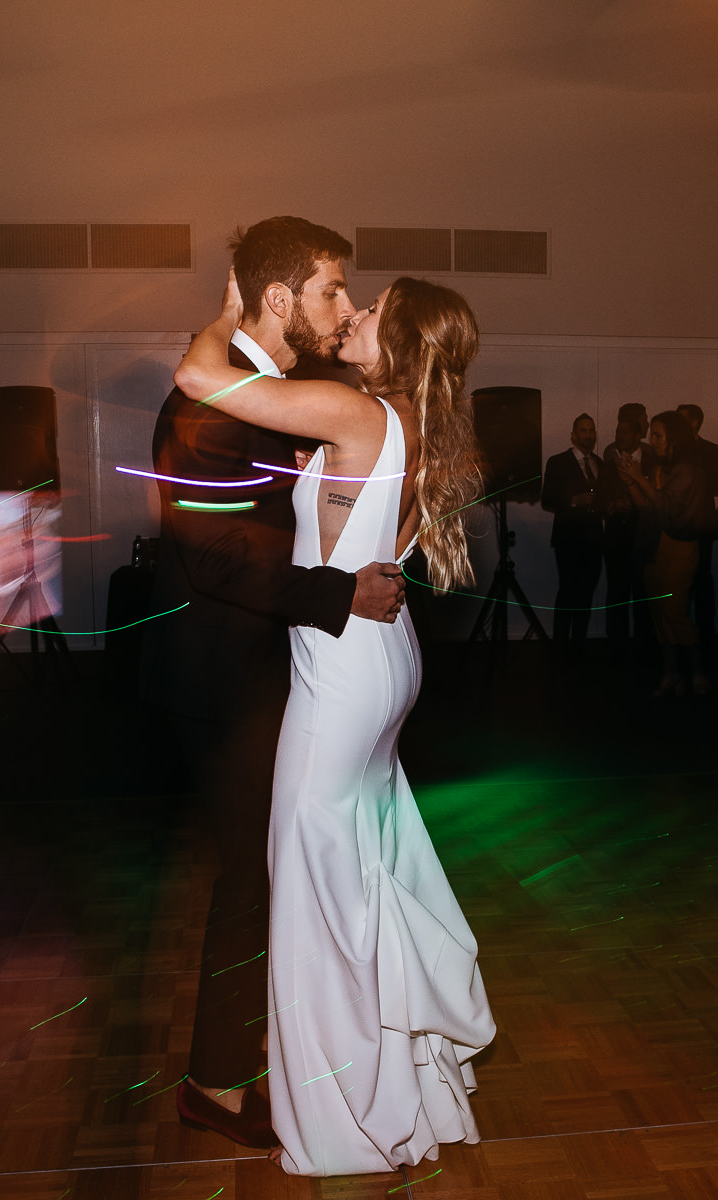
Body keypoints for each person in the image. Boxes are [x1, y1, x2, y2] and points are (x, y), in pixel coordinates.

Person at [174, 270, 496, 1176]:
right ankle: (395, 1079)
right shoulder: (410, 422)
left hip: (345, 681)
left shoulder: (361, 417)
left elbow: (202, 380)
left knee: (316, 898)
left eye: (372, 309)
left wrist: (230, 312)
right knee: (359, 879)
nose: (352, 313)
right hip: (379, 661)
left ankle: (348, 1109)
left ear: (399, 342)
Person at [143, 217, 407, 1153]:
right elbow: (216, 554)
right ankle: (214, 1084)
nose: (344, 308)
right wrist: (340, 594)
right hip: (224, 681)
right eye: (335, 290)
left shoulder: (272, 391)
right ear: (283, 298)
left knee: (268, 875)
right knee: (252, 883)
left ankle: (266, 1053)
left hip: (264, 669)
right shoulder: (210, 407)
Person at [615, 410, 712, 695]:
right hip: (656, 546)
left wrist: (638, 478)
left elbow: (669, 509)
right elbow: (649, 509)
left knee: (673, 610)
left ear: (673, 437)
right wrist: (631, 482)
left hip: (679, 547)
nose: (651, 439)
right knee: (659, 612)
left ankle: (697, 673)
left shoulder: (688, 470)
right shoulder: (662, 468)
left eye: (657, 435)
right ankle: (672, 674)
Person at [540, 413, 606, 641]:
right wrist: (573, 500)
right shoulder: (558, 462)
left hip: (596, 539)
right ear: (573, 435)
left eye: (591, 431)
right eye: (583, 431)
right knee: (568, 592)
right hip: (568, 539)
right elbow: (547, 499)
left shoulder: (600, 464)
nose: (588, 435)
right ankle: (560, 644)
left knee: (587, 594)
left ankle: (579, 643)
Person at [598, 410, 652, 641]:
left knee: (644, 593)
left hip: (644, 538)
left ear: (638, 435)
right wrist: (611, 505)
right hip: (616, 539)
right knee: (616, 592)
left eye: (624, 432)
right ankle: (616, 644)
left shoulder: (653, 463)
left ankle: (645, 643)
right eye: (617, 431)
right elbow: (599, 499)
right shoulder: (609, 465)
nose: (618, 435)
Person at [677, 403, 718, 639]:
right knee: (678, 579)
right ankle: (681, 631)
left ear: (694, 422)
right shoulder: (672, 450)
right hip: (677, 524)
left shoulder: (711, 450)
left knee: (703, 578)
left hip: (702, 524)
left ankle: (706, 632)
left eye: (681, 419)